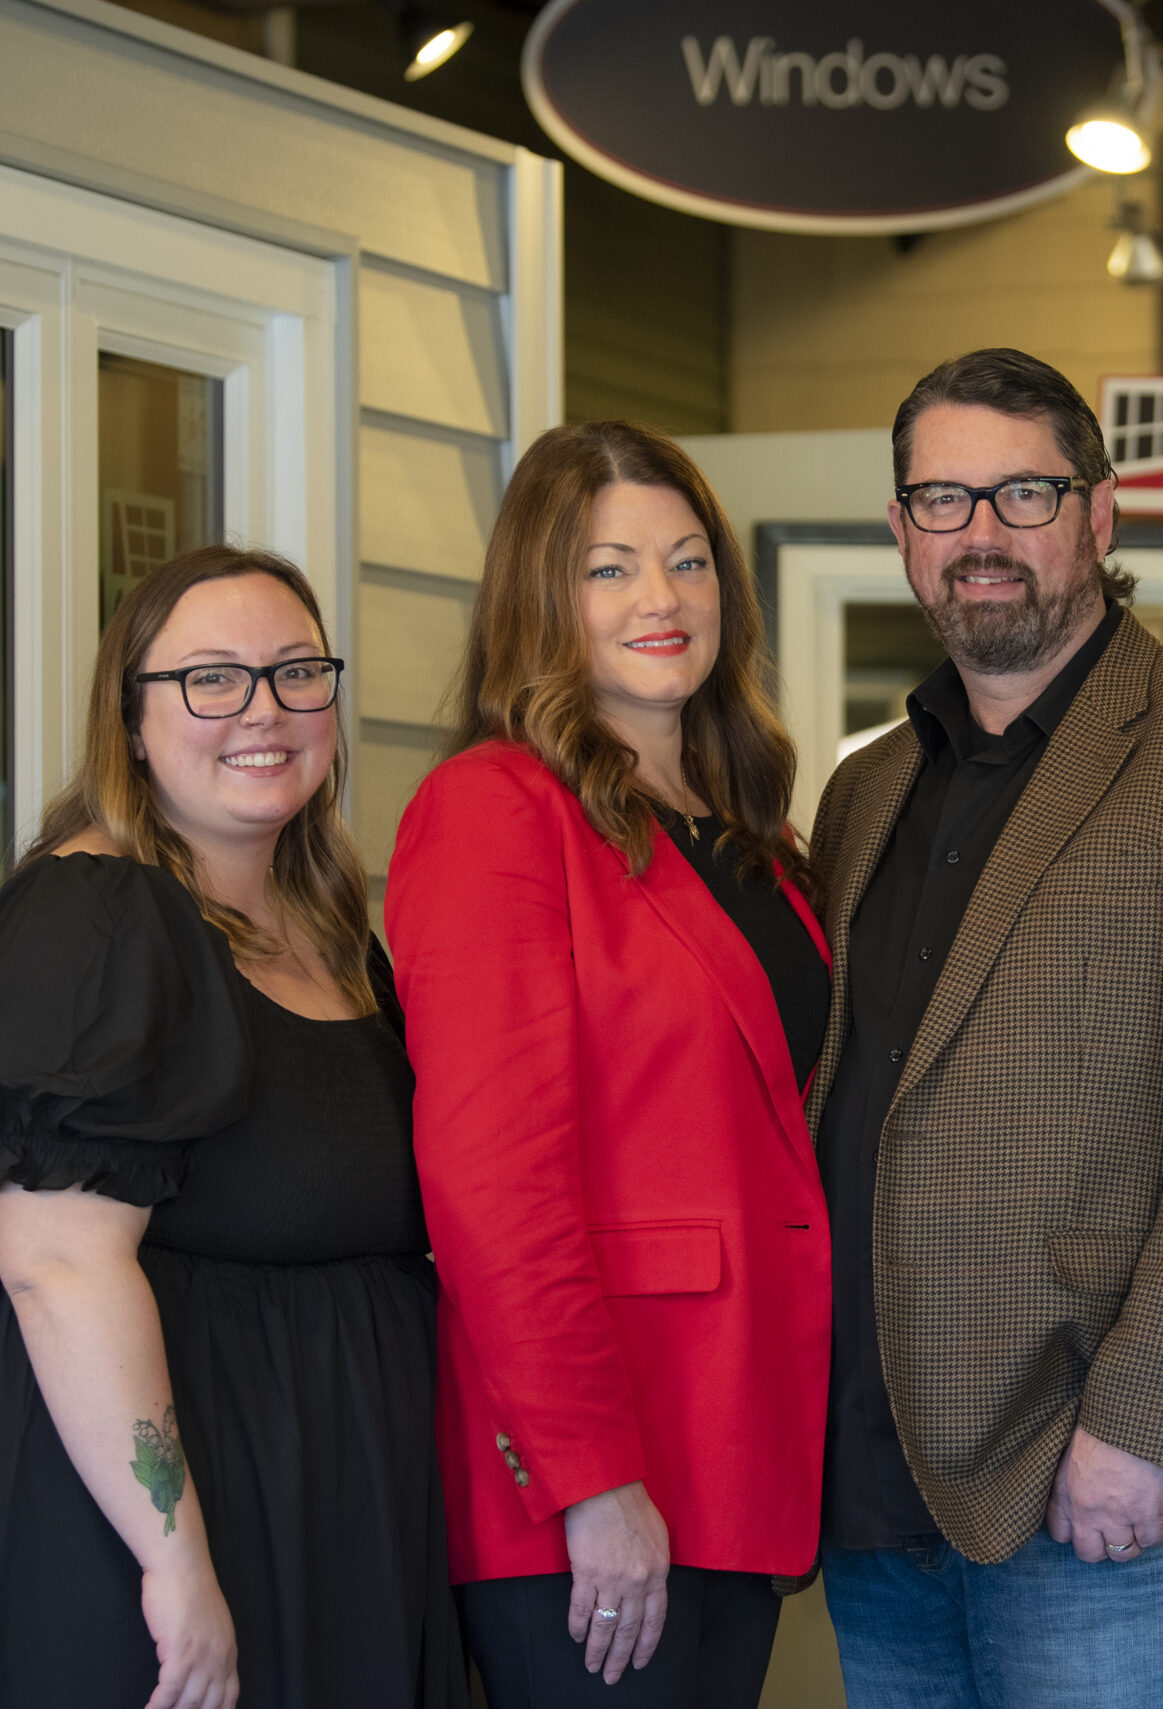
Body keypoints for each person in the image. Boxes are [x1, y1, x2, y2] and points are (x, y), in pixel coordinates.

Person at [802, 348, 1163, 1709]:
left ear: (1100, 514)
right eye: (941, 498)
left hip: (1100, 1487)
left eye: (1024, 493)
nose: (980, 533)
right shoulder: (867, 789)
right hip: (874, 1484)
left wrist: (1144, 1427)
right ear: (899, 528)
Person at [0, 546, 465, 1709]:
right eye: (210, 678)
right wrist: (175, 1563)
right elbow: (58, 1266)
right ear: (129, 719)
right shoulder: (95, 916)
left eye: (295, 671)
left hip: (312, 1500)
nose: (262, 710)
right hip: (127, 1516)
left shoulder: (331, 929)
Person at [384, 421, 832, 1709]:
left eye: (688, 561)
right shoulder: (493, 808)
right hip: (593, 1475)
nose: (662, 598)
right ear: (541, 597)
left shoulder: (748, 833)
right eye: (609, 568)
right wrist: (589, 1478)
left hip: (736, 1439)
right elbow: (490, 1179)